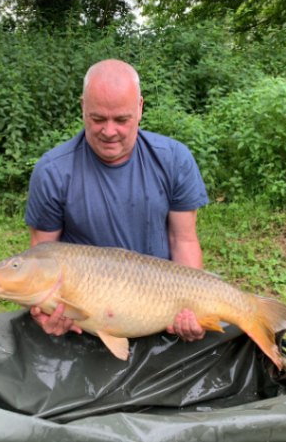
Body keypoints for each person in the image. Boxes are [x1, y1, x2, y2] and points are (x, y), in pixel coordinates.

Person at [24, 59, 209, 343]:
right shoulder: (53, 171)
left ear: (140, 108)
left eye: (121, 120)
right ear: (82, 107)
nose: (109, 131)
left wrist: (192, 308)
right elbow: (41, 258)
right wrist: (45, 313)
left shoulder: (174, 160)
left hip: (159, 309)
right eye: (98, 119)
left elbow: (183, 240)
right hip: (86, 316)